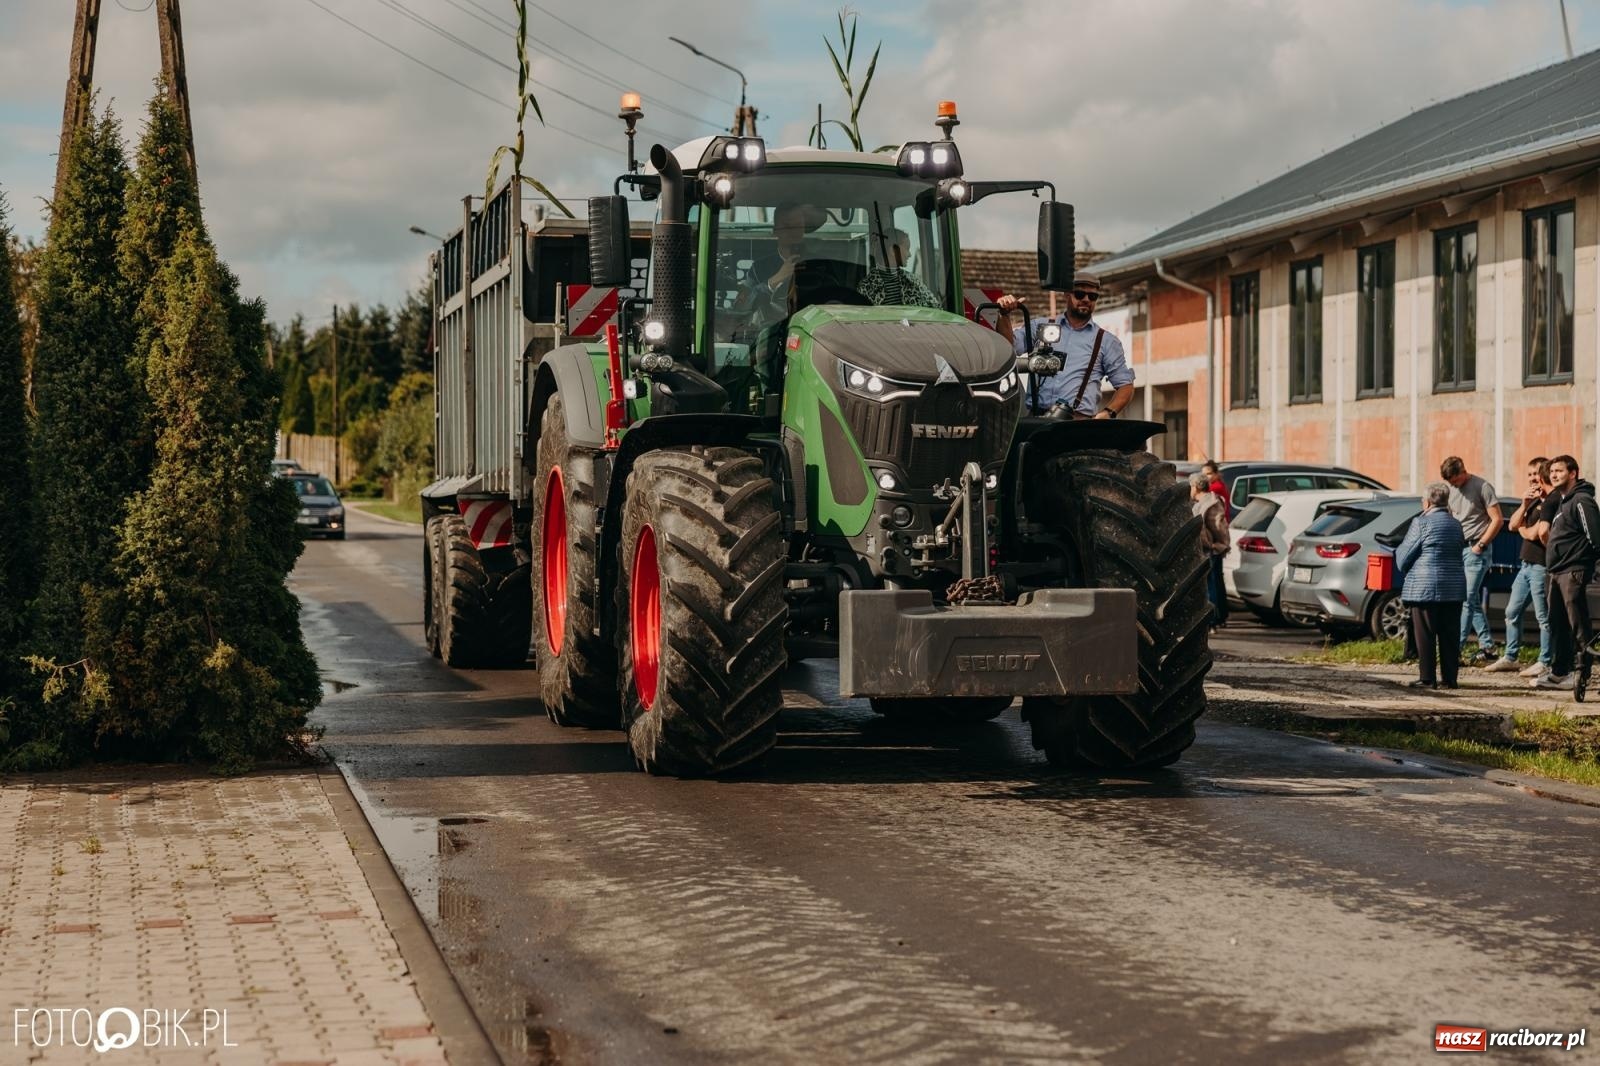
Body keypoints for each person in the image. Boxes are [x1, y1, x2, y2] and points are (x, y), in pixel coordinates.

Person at [995, 273, 1135, 419]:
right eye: (1080, 294)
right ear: (1066, 294)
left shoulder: (1106, 341)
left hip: (1077, 424)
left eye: (1092, 296)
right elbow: (1009, 347)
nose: (1086, 300)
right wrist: (1004, 314)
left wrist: (1108, 413)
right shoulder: (1041, 326)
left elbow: (1125, 385)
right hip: (1036, 420)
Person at [1532, 454, 1600, 699]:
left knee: (1578, 623)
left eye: (1559, 471)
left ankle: (1581, 671)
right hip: (1556, 571)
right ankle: (1560, 672)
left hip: (1574, 570)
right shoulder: (1561, 501)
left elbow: (1595, 537)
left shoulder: (1582, 500)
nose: (1554, 475)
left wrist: (1589, 563)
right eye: (1552, 472)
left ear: (1573, 473)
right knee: (1557, 622)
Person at [1394, 482, 1468, 690]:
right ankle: (1450, 678)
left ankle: (1427, 678)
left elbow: (1404, 556)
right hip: (1453, 587)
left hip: (1425, 587)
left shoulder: (1421, 523)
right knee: (1450, 635)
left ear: (1426, 502)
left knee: (1425, 633)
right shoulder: (1456, 524)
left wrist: (1399, 554)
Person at [1486, 457, 1556, 676]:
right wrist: (1524, 505)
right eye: (1529, 475)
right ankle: (1511, 656)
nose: (1533, 479)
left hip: (1540, 566)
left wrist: (1525, 530)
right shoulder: (1533, 501)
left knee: (1543, 617)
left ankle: (1545, 660)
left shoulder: (1553, 501)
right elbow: (1513, 524)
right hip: (1524, 566)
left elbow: (1535, 532)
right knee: (1512, 611)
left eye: (1536, 474)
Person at [1440, 456, 1503, 664]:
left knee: (1466, 599)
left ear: (1462, 472)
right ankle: (1487, 646)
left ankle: (1454, 650)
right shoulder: (1451, 490)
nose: (1452, 485)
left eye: (1454, 481)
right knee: (1471, 600)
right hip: (1459, 548)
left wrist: (1481, 545)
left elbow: (1497, 519)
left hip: (1477, 549)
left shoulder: (1482, 486)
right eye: (1449, 483)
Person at [859, 228, 940, 308]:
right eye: (907, 249)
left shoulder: (912, 281)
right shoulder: (867, 286)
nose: (909, 254)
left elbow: (936, 309)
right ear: (893, 251)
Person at [1190, 472, 1231, 628]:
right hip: (1208, 550)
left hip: (1211, 551)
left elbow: (1219, 527)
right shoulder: (1201, 503)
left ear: (1197, 487)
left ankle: (1214, 619)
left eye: (1191, 486)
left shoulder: (1211, 503)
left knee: (1211, 586)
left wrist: (1217, 545)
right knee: (1214, 584)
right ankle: (1218, 617)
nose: (1190, 490)